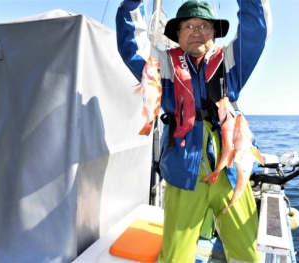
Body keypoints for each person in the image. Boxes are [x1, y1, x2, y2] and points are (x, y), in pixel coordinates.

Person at [116, 0, 272, 262]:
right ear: (177, 34)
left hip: (230, 173)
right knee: (176, 256)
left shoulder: (231, 60)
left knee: (249, 255)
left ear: (214, 33)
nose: (197, 31)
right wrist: (133, 3)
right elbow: (132, 43)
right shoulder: (161, 64)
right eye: (188, 26)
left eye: (204, 26)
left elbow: (256, 28)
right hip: (183, 174)